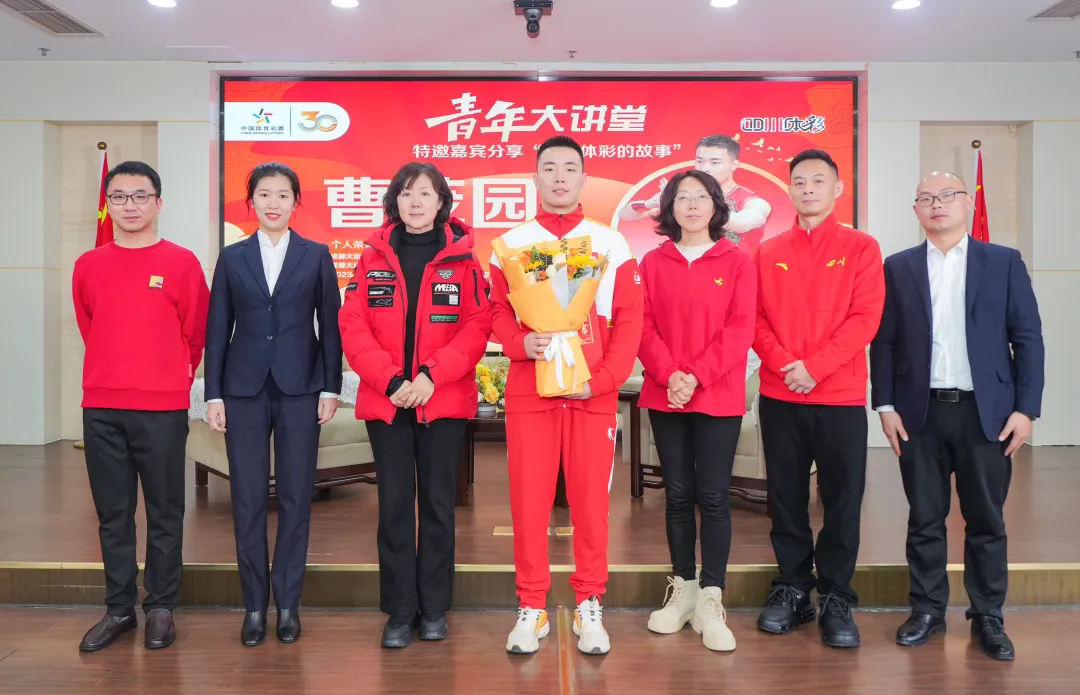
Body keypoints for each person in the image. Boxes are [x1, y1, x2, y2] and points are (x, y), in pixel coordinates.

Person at [870, 172, 1044, 661]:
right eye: (926, 198)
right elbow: (884, 342)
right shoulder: (898, 266)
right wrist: (885, 406)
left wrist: (1026, 409)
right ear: (916, 210)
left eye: (947, 195)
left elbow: (1028, 338)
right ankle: (926, 610)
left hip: (986, 415)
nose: (937, 204)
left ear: (967, 203)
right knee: (925, 518)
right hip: (919, 414)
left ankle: (988, 615)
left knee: (986, 520)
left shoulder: (1002, 262)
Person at [490, 135, 644, 656]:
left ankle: (589, 603)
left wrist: (602, 380)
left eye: (569, 167)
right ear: (535, 177)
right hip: (530, 391)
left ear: (583, 178)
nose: (559, 176)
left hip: (591, 395)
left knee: (591, 507)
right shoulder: (511, 244)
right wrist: (520, 344)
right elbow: (495, 312)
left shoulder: (610, 243)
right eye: (549, 167)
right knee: (528, 505)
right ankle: (531, 606)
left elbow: (629, 319)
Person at [339, 162, 492, 648]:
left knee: (438, 505)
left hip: (440, 399)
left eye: (425, 192)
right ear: (394, 202)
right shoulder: (372, 256)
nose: (415, 201)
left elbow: (477, 327)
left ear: (441, 200)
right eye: (406, 193)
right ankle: (400, 611)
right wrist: (390, 380)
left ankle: (434, 608)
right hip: (387, 401)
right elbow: (353, 324)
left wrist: (430, 377)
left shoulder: (464, 260)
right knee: (394, 506)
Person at [73, 161, 209, 652]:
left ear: (158, 203)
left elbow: (196, 333)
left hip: (162, 408)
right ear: (108, 204)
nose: (129, 205)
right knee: (113, 513)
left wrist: (168, 379)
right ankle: (118, 609)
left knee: (165, 510)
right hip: (102, 406)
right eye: (119, 196)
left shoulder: (181, 262)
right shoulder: (88, 264)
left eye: (140, 195)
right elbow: (90, 325)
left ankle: (161, 608)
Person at [204, 162, 342, 647]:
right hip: (242, 390)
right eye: (264, 194)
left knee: (295, 498)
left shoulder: (316, 254)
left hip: (301, 388)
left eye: (283, 194)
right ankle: (253, 606)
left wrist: (330, 388)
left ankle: (287, 605)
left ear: (295, 202)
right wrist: (213, 394)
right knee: (246, 499)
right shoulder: (232, 257)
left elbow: (331, 325)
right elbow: (217, 328)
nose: (274, 203)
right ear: (251, 202)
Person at [752, 149, 884, 648]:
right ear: (788, 189)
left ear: (837, 189)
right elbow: (754, 319)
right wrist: (788, 366)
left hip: (840, 397)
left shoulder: (861, 247)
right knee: (785, 498)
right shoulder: (768, 250)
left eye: (818, 181)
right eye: (799, 181)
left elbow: (864, 318)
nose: (808, 189)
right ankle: (792, 588)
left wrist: (816, 368)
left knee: (842, 501)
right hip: (780, 394)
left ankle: (835, 596)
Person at [637, 170, 756, 652]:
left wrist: (696, 376)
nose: (691, 205)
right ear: (669, 207)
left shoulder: (737, 260)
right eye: (682, 197)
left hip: (717, 394)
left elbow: (740, 328)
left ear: (716, 206)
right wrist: (671, 375)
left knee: (714, 496)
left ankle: (711, 597)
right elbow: (642, 325)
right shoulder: (652, 261)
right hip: (665, 392)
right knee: (678, 493)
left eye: (700, 197)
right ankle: (683, 589)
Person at [619, 134, 772, 254]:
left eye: (714, 162)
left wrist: (688, 204)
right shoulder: (681, 195)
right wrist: (650, 203)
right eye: (699, 161)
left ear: (734, 165)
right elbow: (625, 215)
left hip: (737, 276)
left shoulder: (752, 201)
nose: (704, 168)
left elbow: (743, 223)